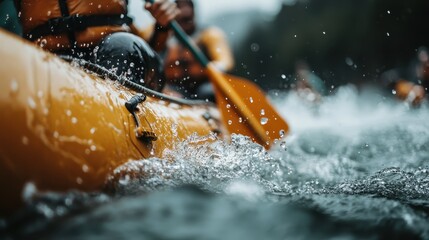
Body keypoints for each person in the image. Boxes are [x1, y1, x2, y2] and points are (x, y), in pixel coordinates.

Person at [14, 0, 179, 92]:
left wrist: (161, 26)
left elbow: (151, 47)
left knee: (123, 47)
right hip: (45, 60)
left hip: (111, 55)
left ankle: (120, 118)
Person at [162, 0, 234, 101]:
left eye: (188, 6)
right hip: (175, 88)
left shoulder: (209, 35)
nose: (184, 11)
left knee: (208, 92)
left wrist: (216, 67)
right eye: (179, 7)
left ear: (194, 13)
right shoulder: (162, 35)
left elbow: (225, 61)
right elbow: (141, 35)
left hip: (203, 87)